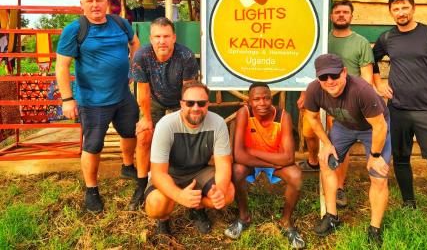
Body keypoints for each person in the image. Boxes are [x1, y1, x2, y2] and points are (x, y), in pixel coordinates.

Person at [56, 0, 141, 213]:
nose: (95, 5)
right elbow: (62, 66)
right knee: (93, 145)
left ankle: (127, 165)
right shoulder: (75, 30)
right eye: (90, 1)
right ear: (81, 4)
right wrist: (67, 99)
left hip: (123, 95)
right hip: (92, 100)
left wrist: (134, 68)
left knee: (130, 132)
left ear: (107, 3)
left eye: (99, 0)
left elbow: (135, 43)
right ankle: (91, 189)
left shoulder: (120, 23)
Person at [372, 0, 427, 227]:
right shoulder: (387, 38)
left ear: (413, 8)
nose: (401, 12)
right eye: (396, 9)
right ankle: (409, 203)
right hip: (398, 110)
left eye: (405, 7)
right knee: (400, 158)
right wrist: (379, 84)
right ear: (391, 13)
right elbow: (370, 59)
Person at [304, 54, 390, 244]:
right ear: (318, 78)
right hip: (344, 126)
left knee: (378, 174)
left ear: (344, 72)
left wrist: (375, 156)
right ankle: (332, 217)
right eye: (324, 77)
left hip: (372, 128)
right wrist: (326, 144)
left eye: (334, 75)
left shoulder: (362, 90)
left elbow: (380, 126)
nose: (330, 81)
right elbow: (312, 118)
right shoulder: (314, 90)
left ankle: (374, 229)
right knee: (326, 162)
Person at [298, 0, 374, 208]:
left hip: (347, 101)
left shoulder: (361, 43)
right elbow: (312, 71)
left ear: (351, 16)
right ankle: (313, 161)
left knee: (342, 146)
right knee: (309, 132)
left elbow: (367, 76)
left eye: (345, 12)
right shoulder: (322, 41)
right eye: (337, 12)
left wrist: (358, 102)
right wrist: (307, 94)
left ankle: (339, 187)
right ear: (331, 16)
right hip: (322, 96)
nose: (341, 15)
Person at [144, 81, 234, 238]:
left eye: (201, 103)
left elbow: (224, 165)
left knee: (228, 193)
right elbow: (158, 173)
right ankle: (164, 219)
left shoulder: (218, 123)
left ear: (208, 104)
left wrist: (218, 190)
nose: (196, 108)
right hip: (170, 173)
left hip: (200, 172)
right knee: (156, 205)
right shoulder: (166, 125)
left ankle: (197, 207)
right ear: (181, 104)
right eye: (190, 103)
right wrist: (178, 196)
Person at [128, 17, 198, 210]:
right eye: (157, 36)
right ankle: (141, 185)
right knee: (143, 136)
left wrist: (186, 119)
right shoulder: (141, 56)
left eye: (166, 36)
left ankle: (183, 181)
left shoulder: (186, 56)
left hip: (180, 101)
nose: (162, 41)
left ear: (174, 37)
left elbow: (189, 91)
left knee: (184, 139)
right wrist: (146, 119)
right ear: (151, 39)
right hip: (154, 100)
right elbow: (142, 90)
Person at [224, 82, 305, 249]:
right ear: (249, 102)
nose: (262, 103)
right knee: (236, 170)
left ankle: (285, 221)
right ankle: (243, 217)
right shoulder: (244, 113)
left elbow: (289, 158)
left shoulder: (283, 116)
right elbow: (238, 155)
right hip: (261, 162)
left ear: (271, 99)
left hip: (270, 161)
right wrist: (273, 161)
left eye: (266, 98)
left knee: (296, 176)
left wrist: (253, 152)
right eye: (257, 99)